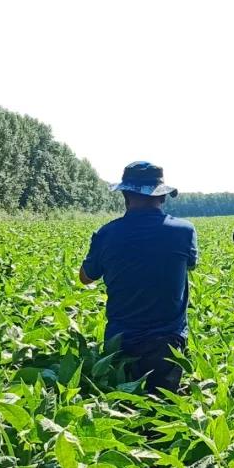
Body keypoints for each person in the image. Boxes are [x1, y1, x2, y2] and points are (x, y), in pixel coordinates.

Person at [79, 161, 197, 395]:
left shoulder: (107, 233)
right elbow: (191, 265)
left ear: (125, 195)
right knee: (162, 408)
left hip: (120, 343)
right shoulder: (184, 231)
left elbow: (86, 278)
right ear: (162, 196)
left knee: (121, 407)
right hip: (168, 344)